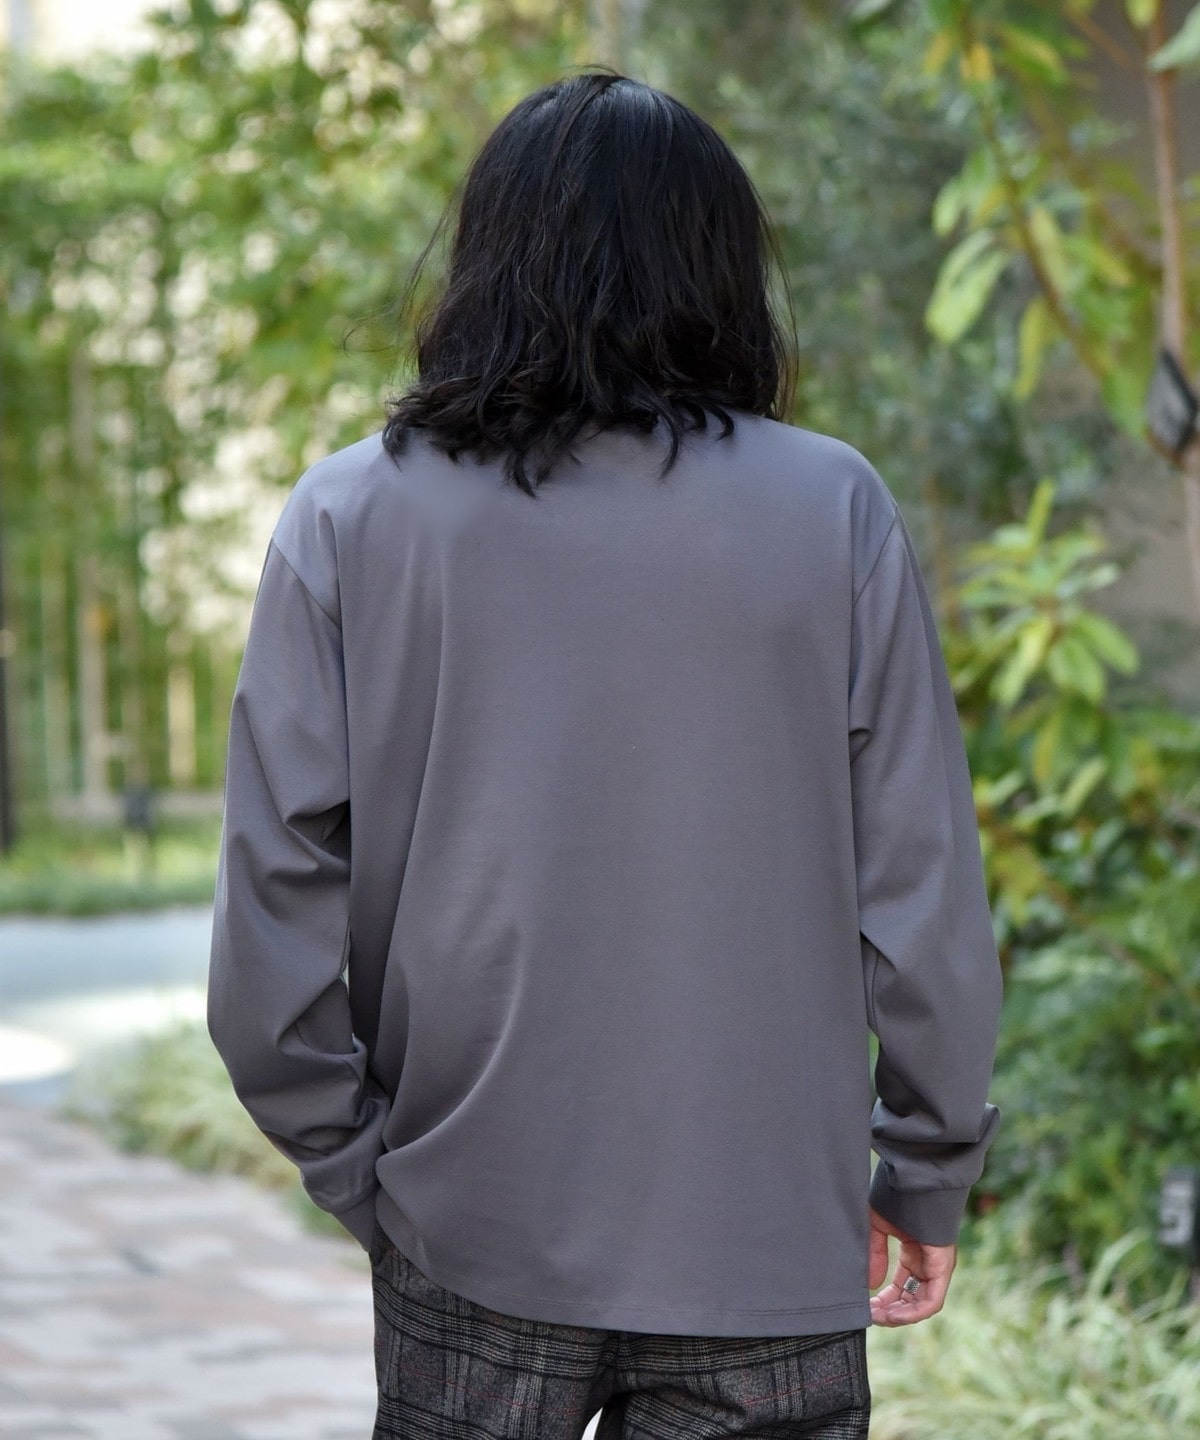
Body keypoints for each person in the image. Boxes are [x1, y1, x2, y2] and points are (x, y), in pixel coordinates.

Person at [208, 67, 1003, 1440]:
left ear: (487, 262)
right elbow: (922, 890)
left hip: (469, 1217)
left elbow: (269, 918)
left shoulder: (349, 517)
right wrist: (926, 1168)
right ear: (721, 266)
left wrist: (361, 1170)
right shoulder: (834, 509)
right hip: (764, 1239)